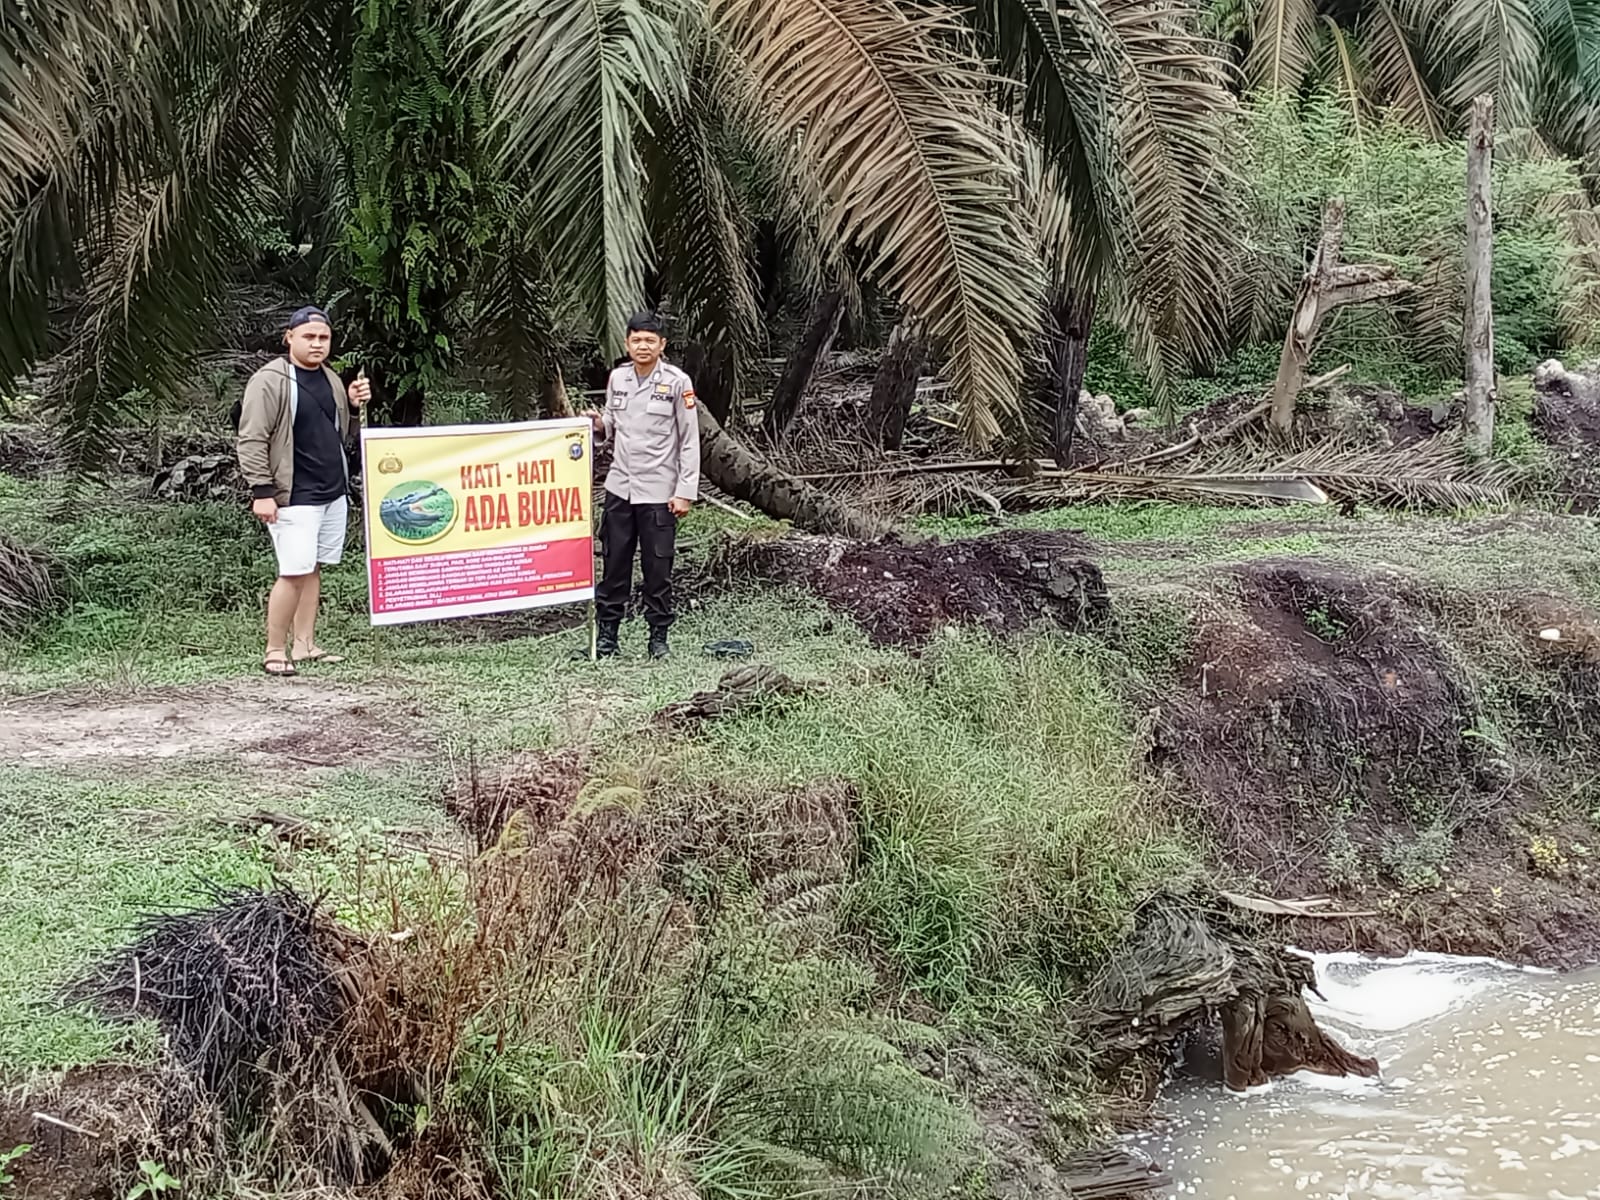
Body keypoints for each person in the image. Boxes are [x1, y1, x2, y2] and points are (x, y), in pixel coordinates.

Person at [236, 306, 371, 676]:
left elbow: (341, 435)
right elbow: (252, 438)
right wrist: (262, 490)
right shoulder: (270, 381)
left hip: (331, 491)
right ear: (289, 338)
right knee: (293, 571)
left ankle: (306, 644)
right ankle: (275, 650)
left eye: (323, 338)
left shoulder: (329, 380)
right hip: (293, 494)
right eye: (308, 337)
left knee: (312, 569)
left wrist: (355, 406)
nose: (316, 344)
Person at [588, 312, 701, 659]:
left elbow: (689, 440)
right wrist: (596, 425)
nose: (642, 346)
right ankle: (607, 638)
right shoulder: (618, 379)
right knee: (614, 564)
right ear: (627, 343)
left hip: (659, 492)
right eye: (636, 340)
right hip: (620, 488)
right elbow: (611, 424)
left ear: (662, 345)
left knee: (657, 569)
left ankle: (658, 640)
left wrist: (685, 491)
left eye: (650, 340)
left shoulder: (678, 382)